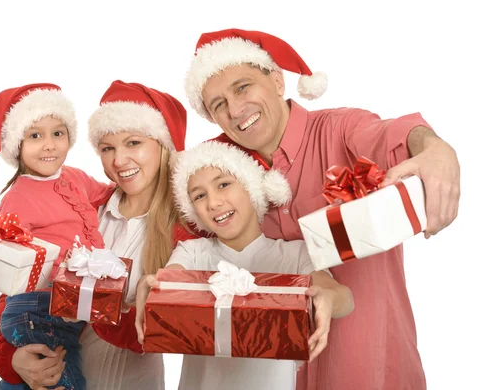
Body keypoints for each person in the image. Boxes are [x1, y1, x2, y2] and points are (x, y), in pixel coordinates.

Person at [183, 29, 460, 389]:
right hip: (271, 373)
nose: (235, 110)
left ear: (278, 81)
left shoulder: (343, 129)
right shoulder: (223, 171)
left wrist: (436, 149)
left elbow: (398, 135)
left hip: (367, 364)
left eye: (242, 87)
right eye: (218, 104)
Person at [0, 80, 194, 390]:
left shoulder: (186, 230)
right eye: (107, 148)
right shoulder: (83, 206)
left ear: (163, 145)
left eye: (133, 143)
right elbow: (15, 293)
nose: (118, 161)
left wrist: (88, 303)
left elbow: (168, 333)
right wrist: (12, 360)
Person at [134, 140, 354, 390]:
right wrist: (153, 284)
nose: (213, 202)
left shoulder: (293, 255)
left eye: (224, 184)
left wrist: (327, 298)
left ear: (251, 188)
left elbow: (341, 295)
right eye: (199, 195)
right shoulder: (193, 253)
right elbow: (170, 279)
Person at [0, 83, 114, 390]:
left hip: (63, 308)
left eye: (57, 133)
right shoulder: (18, 197)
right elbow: (10, 261)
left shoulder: (74, 177)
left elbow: (108, 193)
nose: (49, 145)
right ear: (17, 145)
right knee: (62, 379)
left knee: (51, 376)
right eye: (35, 135)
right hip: (36, 306)